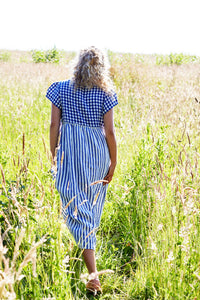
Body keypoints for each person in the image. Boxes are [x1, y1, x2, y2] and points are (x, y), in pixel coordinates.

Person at [46, 46, 118, 294]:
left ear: (78, 64)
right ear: (102, 67)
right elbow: (109, 132)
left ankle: (92, 275)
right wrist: (113, 162)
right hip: (98, 153)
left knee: (76, 204)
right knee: (89, 207)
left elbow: (54, 123)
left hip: (71, 152)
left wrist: (53, 153)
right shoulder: (105, 93)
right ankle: (88, 264)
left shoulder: (61, 89)